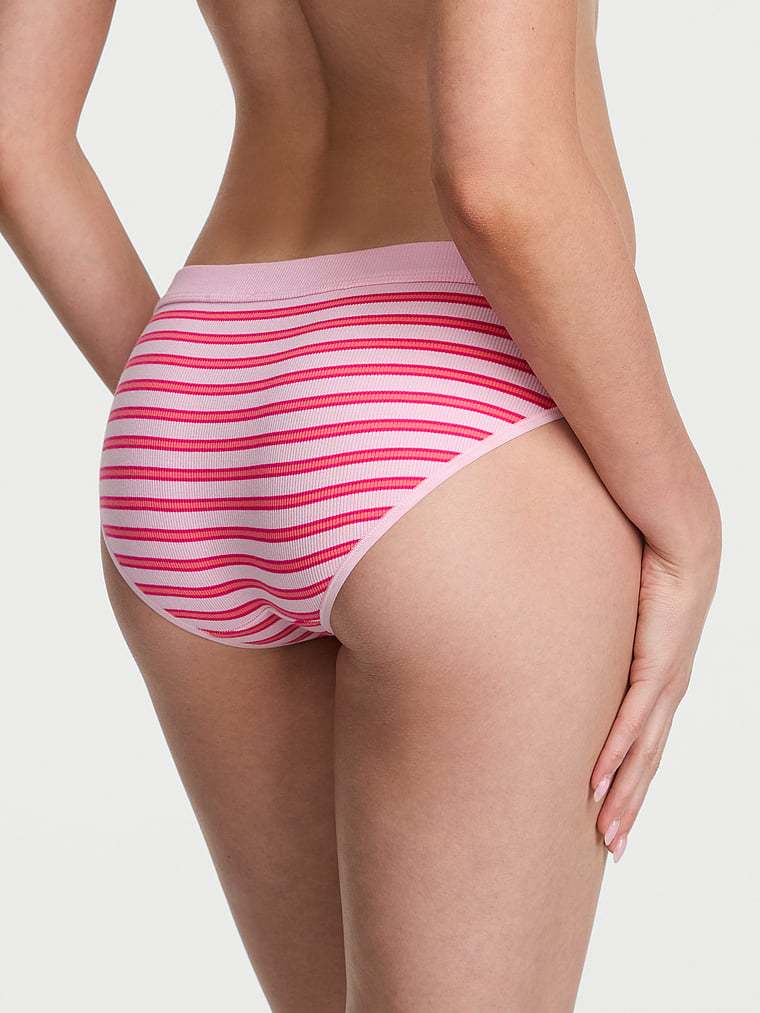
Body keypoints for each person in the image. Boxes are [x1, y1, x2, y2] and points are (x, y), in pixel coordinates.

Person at [0, 1, 721, 1009]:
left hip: (198, 388)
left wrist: (203, 409)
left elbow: (15, 137)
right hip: (451, 408)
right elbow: (498, 178)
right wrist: (686, 520)